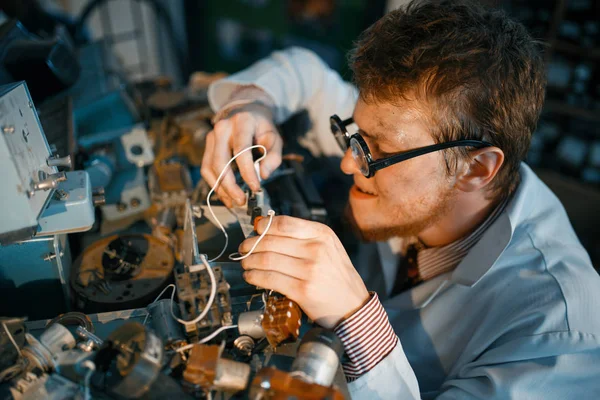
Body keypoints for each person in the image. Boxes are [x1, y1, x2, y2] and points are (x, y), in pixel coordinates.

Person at [201, 1, 600, 398]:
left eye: (378, 150)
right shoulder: (416, 136)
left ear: (476, 169)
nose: (347, 163)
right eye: (355, 133)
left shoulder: (560, 334)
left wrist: (356, 319)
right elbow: (305, 72)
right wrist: (250, 103)